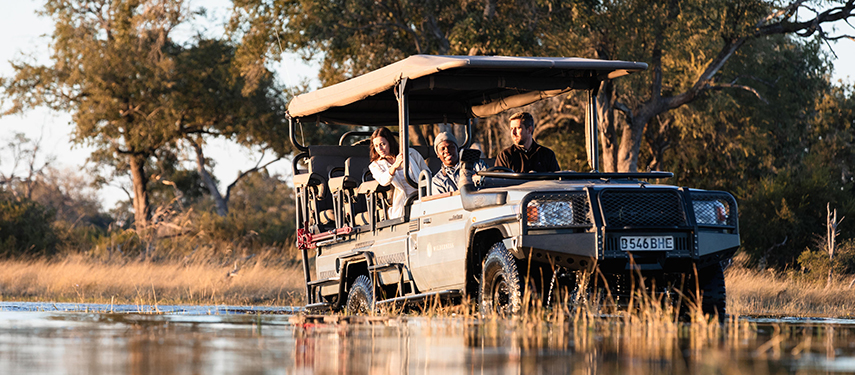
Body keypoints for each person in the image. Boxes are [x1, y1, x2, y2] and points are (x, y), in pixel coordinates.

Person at [368, 127, 430, 219]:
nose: (380, 149)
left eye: (383, 144)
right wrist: (394, 166)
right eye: (376, 146)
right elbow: (383, 181)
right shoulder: (375, 165)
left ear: (390, 142)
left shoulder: (411, 153)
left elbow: (426, 172)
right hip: (401, 202)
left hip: (421, 196)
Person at [495, 112, 560, 173]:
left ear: (529, 130)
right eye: (511, 129)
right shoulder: (504, 156)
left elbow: (558, 182)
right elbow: (499, 183)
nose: (513, 133)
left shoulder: (547, 155)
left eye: (518, 128)